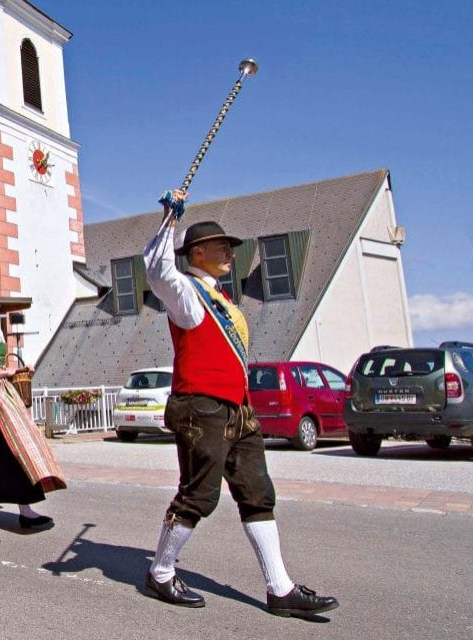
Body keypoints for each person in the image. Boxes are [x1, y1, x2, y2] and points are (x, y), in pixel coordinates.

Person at [141, 189, 338, 616]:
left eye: (230, 247)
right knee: (199, 496)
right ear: (196, 252)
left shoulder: (224, 300)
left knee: (257, 493)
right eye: (221, 246)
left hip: (238, 408)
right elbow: (156, 270)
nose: (230, 252)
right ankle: (160, 572)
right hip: (202, 408)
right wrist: (169, 220)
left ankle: (279, 588)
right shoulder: (186, 293)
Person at [0, 290, 66, 529]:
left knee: (18, 447)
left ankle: (26, 509)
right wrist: (6, 373)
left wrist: (19, 369)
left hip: (3, 392)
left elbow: (6, 365)